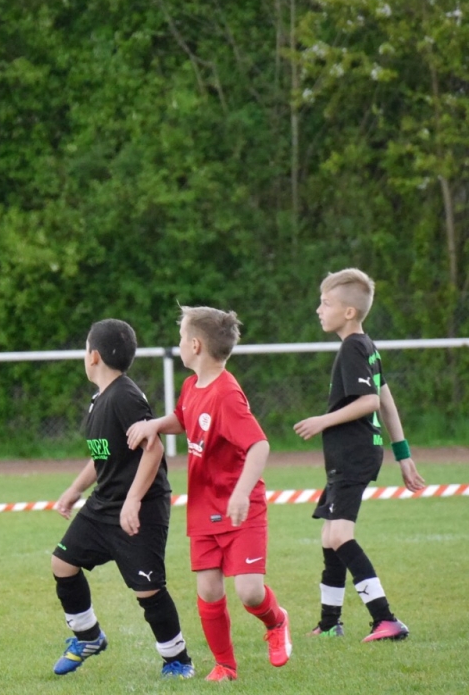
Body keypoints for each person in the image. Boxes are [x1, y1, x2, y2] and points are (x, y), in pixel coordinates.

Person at [126, 306, 291, 683]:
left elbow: (259, 445)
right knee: (209, 589)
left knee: (249, 592)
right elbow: (183, 419)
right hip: (203, 506)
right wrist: (154, 424)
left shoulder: (227, 394)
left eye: (181, 338)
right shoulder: (191, 386)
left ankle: (277, 621)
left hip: (240, 508)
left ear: (196, 345)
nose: (179, 344)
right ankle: (225, 666)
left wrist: (241, 493)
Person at [50, 319, 195, 679]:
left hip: (141, 507)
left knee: (148, 589)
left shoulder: (124, 396)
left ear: (94, 356)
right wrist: (75, 489)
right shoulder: (100, 399)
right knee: (63, 563)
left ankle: (177, 659)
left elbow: (153, 448)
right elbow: (105, 456)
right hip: (104, 504)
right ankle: (88, 637)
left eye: (85, 349)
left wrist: (133, 500)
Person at [293, 268, 426, 642]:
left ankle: (386, 619)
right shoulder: (367, 345)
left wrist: (322, 420)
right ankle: (329, 623)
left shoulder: (353, 347)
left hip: (353, 454)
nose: (319, 309)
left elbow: (369, 401)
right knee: (328, 535)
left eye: (326, 303)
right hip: (352, 455)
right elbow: (387, 401)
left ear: (349, 312)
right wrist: (403, 454)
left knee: (339, 535)